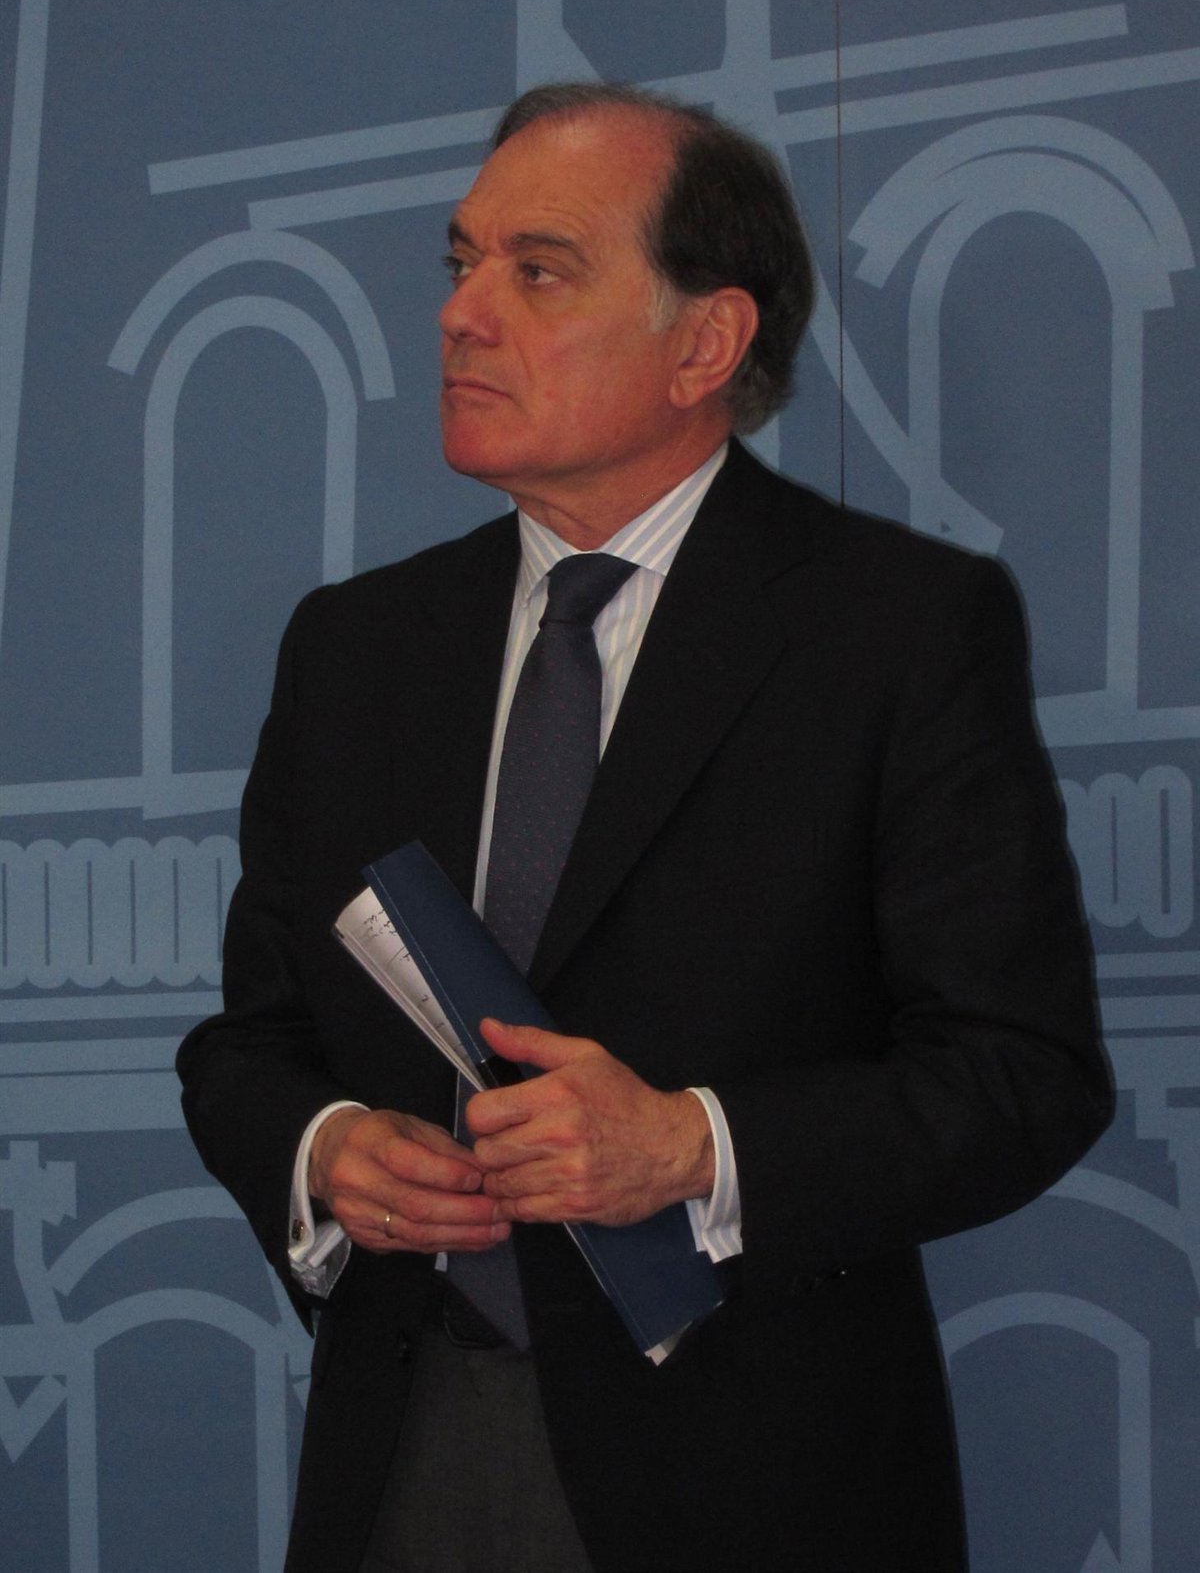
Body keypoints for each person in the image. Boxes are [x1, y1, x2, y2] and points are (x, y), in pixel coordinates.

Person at [177, 81, 1113, 1573]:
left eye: (537, 270)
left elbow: (1022, 1076)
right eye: (461, 263)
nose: (462, 314)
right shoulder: (355, 649)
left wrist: (692, 1146)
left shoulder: (894, 631)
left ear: (705, 344)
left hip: (758, 1479)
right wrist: (326, 1148)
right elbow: (249, 1045)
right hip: (405, 1451)